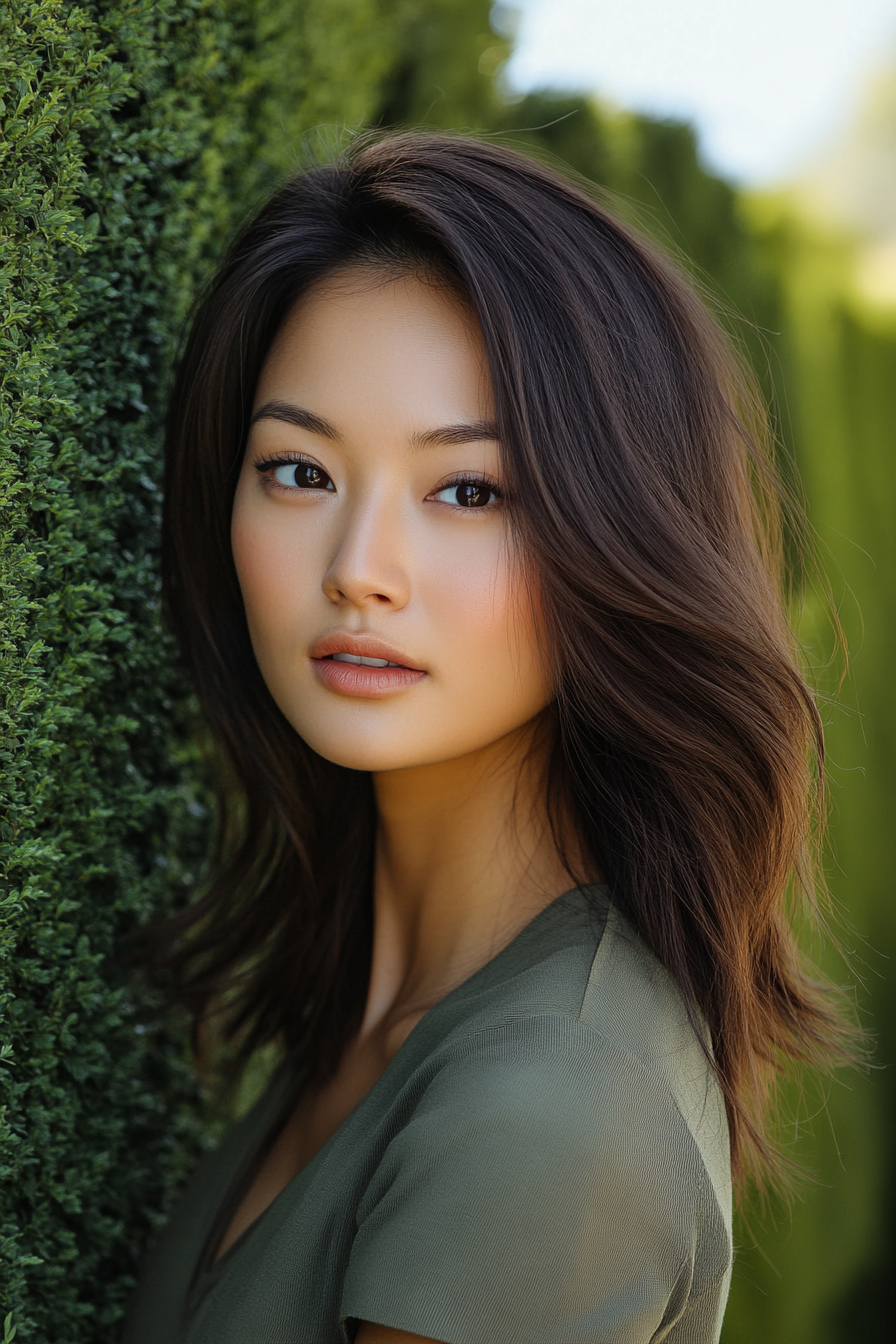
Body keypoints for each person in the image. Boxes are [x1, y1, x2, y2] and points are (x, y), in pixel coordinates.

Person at [124, 132, 850, 1344]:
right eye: (298, 471)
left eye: (467, 492)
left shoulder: (548, 1102)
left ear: (617, 532)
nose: (358, 572)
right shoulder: (390, 1009)